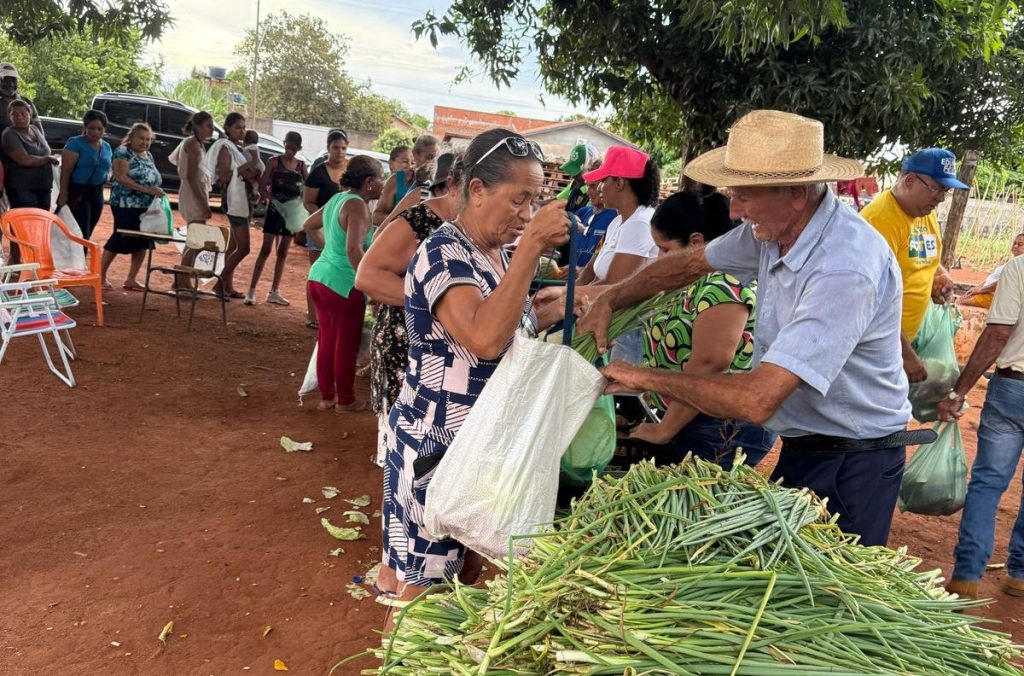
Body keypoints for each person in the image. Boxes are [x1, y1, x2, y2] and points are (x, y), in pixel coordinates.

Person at [580, 110, 914, 547]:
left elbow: (758, 400)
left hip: (854, 458)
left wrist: (644, 378)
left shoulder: (844, 267)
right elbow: (687, 265)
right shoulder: (773, 231)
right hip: (804, 442)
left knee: (829, 579)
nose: (734, 210)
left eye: (745, 196)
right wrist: (611, 299)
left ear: (797, 193)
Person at [377, 128, 569, 625]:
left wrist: (544, 310)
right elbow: (482, 337)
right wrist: (532, 247)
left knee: (452, 580)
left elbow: (500, 327)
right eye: (518, 200)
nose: (526, 214)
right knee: (423, 596)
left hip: (473, 450)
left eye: (534, 201)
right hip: (436, 449)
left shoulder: (493, 253)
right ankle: (399, 655)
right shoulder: (443, 251)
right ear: (477, 190)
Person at [627, 191, 776, 466]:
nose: (659, 258)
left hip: (721, 428)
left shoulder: (723, 282)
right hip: (690, 417)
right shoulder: (691, 282)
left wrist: (663, 430)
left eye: (665, 249)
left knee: (699, 493)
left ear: (695, 242)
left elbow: (710, 363)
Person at [355, 152, 462, 466]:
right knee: (402, 449)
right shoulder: (419, 219)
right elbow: (368, 276)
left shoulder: (468, 228)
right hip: (404, 346)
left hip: (441, 356)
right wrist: (433, 300)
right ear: (450, 185)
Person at [938, 253, 1024, 599]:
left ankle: (967, 577)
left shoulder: (1019, 268)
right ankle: (1019, 574)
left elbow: (998, 333)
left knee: (988, 482)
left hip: (1013, 389)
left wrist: (959, 391)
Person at [860, 148, 966, 383]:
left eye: (945, 191)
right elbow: (871, 299)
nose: (940, 199)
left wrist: (940, 276)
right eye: (936, 189)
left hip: (905, 340)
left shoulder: (923, 212)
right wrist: (905, 354)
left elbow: (926, 257)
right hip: (875, 349)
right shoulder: (879, 221)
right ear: (909, 181)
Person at [304, 155, 384, 412]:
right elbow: (353, 250)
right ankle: (346, 399)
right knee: (346, 344)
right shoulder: (357, 206)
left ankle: (327, 396)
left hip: (319, 277)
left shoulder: (337, 199)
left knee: (327, 339)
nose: (383, 184)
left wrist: (330, 249)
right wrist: (370, 286)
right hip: (343, 284)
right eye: (381, 178)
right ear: (369, 182)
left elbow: (308, 224)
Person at [245, 131, 308, 306]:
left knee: (283, 252)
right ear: (284, 144)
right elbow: (263, 184)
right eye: (288, 147)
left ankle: (274, 291)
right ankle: (251, 290)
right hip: (275, 210)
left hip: (291, 212)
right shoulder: (274, 162)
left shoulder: (301, 166)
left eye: (294, 149)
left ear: (299, 149)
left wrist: (300, 205)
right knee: (265, 249)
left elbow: (308, 187)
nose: (290, 151)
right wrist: (271, 199)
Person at [100, 123, 164, 290]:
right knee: (120, 236)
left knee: (143, 241)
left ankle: (131, 279)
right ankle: (100, 276)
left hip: (146, 205)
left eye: (148, 139)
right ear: (131, 138)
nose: (145, 142)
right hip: (125, 203)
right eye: (141, 138)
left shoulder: (148, 155)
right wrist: (147, 189)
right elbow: (121, 177)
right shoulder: (123, 152)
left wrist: (154, 191)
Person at [206, 112, 259, 298]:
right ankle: (219, 283)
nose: (242, 131)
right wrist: (248, 165)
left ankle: (227, 286)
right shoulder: (226, 148)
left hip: (243, 199)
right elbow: (225, 176)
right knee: (244, 248)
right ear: (227, 128)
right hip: (234, 200)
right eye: (237, 127)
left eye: (244, 127)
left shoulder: (237, 148)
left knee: (234, 246)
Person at [303, 129, 349, 328]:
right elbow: (308, 201)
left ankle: (330, 313)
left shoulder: (350, 171)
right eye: (336, 148)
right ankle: (312, 315)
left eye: (343, 148)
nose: (340, 152)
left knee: (337, 271)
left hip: (343, 229)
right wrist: (326, 218)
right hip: (319, 228)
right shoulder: (318, 172)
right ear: (328, 148)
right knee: (317, 271)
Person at [2, 99, 58, 263]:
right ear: (9, 117)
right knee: (21, 226)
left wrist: (62, 153)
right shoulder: (9, 134)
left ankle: (35, 263)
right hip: (21, 187)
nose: (19, 117)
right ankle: (15, 261)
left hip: (43, 185)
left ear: (30, 113)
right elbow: (24, 159)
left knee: (39, 225)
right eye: (15, 114)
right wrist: (47, 159)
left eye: (23, 113)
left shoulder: (35, 129)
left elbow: (46, 151)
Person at [56, 109, 112, 241]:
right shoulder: (75, 143)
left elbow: (108, 167)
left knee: (89, 231)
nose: (96, 132)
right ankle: (79, 254)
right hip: (78, 191)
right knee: (81, 231)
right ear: (85, 127)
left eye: (100, 129)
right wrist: (63, 193)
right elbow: (66, 171)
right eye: (92, 128)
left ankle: (81, 253)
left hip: (97, 192)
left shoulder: (106, 146)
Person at [372, 135, 438, 225]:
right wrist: (405, 223)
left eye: (437, 159)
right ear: (415, 155)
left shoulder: (441, 186)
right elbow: (376, 216)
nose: (433, 163)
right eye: (429, 158)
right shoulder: (398, 179)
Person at [960, 233, 1024, 309]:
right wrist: (978, 288)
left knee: (961, 301)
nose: (1015, 246)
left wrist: (980, 290)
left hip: (996, 297)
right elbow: (992, 277)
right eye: (1014, 243)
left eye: (1020, 244)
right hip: (986, 291)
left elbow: (1002, 283)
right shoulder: (1010, 263)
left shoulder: (1020, 266)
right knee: (962, 298)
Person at [0, 63, 42, 135]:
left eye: (13, 80)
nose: (11, 84)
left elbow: (38, 130)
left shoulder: (26, 102)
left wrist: (41, 141)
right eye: (6, 80)